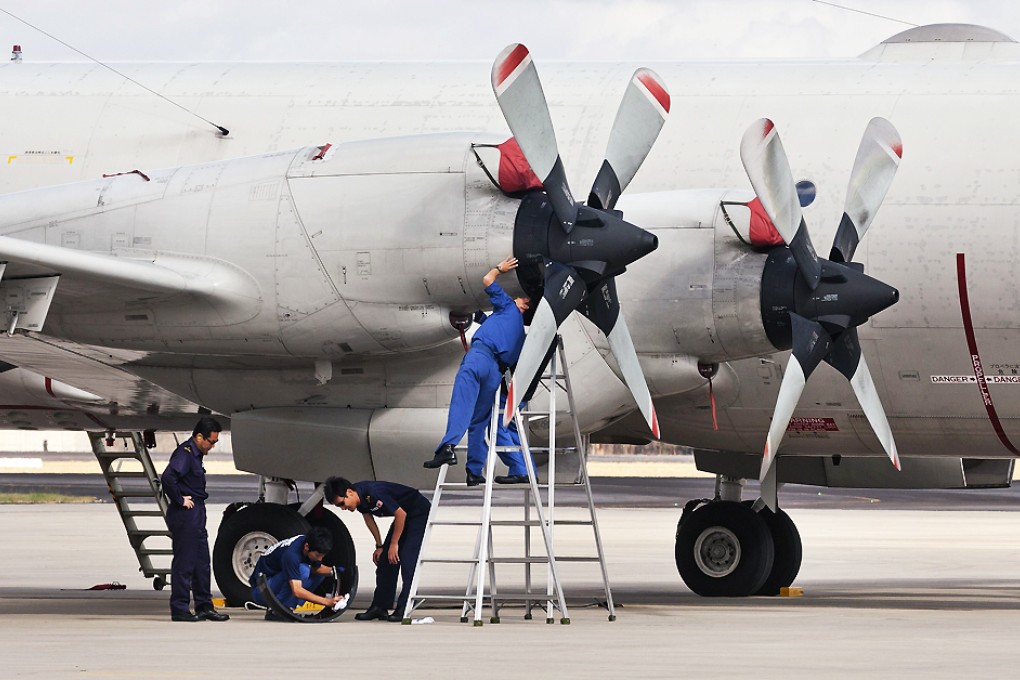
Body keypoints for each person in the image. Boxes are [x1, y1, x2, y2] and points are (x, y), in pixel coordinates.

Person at [424, 255, 530, 485]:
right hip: (495, 373)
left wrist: (499, 269)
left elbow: (487, 280)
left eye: (519, 297)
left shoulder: (509, 306)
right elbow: (490, 322)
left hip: (479, 357)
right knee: (478, 422)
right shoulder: (519, 334)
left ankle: (448, 447)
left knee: (461, 402)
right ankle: (473, 472)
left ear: (523, 304)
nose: (516, 297)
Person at [324, 476, 431, 622]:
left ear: (349, 492)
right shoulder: (359, 499)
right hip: (403, 515)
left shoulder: (374, 493)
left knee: (406, 559)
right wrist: (379, 546)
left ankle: (404, 606)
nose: (343, 508)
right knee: (385, 561)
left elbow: (400, 514)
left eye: (342, 503)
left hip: (417, 512)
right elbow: (369, 518)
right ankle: (380, 606)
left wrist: (394, 544)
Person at [161, 416, 230, 622]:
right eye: (211, 442)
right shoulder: (186, 453)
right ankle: (180, 608)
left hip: (197, 513)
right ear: (199, 437)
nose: (213, 446)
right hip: (186, 514)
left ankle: (204, 606)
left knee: (201, 563)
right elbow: (168, 477)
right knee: (185, 562)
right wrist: (179, 499)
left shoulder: (196, 455)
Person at [248, 527, 341, 619]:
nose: (320, 559)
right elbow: (297, 591)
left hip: (274, 582)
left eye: (322, 556)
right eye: (318, 555)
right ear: (307, 547)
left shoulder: (308, 542)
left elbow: (316, 569)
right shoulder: (291, 555)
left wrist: (338, 571)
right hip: (262, 590)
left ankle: (289, 607)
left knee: (319, 574)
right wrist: (327, 602)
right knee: (303, 570)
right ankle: (278, 609)